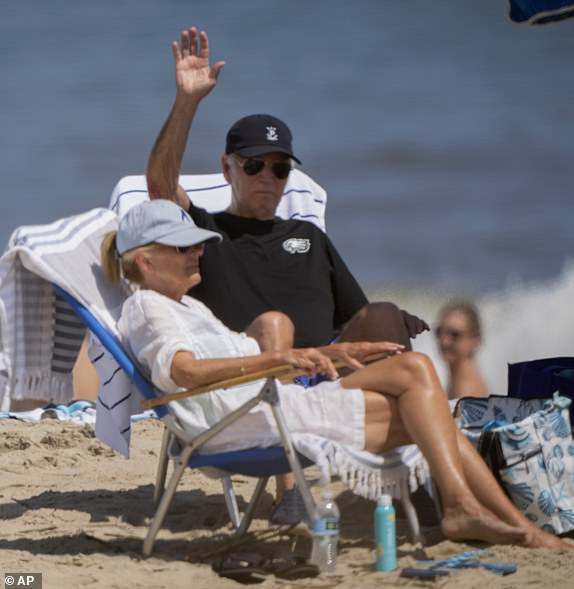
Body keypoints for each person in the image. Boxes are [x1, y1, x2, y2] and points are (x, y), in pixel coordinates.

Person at [100, 199, 569, 550]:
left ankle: (495, 519)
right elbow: (184, 371)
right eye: (185, 247)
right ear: (145, 260)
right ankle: (483, 515)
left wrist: (337, 351)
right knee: (420, 388)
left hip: (268, 407)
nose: (198, 253)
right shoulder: (147, 308)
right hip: (247, 422)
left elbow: (232, 361)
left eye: (198, 244)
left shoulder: (187, 309)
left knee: (418, 379)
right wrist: (277, 362)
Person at [145, 26, 429, 352]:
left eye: (279, 168)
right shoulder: (205, 235)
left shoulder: (310, 237)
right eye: (254, 165)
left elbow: (356, 318)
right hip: (257, 377)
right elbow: (160, 188)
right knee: (275, 326)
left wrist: (393, 320)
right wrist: (186, 103)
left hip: (331, 374)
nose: (267, 176)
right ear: (227, 168)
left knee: (384, 315)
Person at [435, 300, 489, 400]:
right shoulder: (457, 382)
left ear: (475, 340)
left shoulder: (467, 393)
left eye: (454, 335)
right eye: (439, 332)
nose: (444, 341)